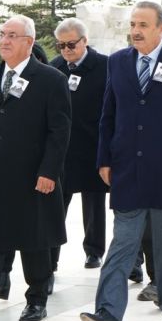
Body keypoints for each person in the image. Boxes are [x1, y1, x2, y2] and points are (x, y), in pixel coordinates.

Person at [80, 2, 162, 321]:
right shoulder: (119, 62)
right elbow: (108, 115)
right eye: (133, 24)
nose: (135, 30)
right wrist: (103, 159)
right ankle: (108, 310)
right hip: (127, 168)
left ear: (161, 29)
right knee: (122, 242)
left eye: (143, 24)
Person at [0, 15, 70, 321]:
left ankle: (36, 299)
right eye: (2, 34)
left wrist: (49, 171)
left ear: (29, 42)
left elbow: (59, 132)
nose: (4, 41)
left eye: (12, 35)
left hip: (33, 176)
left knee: (33, 240)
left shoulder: (50, 79)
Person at [49, 18, 110, 271]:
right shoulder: (54, 69)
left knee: (94, 203)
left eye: (71, 44)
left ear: (85, 41)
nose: (66, 50)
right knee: (54, 206)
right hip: (62, 149)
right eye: (61, 45)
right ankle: (50, 257)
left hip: (93, 145)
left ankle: (94, 251)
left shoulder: (105, 66)